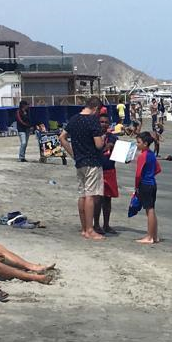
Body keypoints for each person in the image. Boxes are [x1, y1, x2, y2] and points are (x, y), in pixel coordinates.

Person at [60, 97, 107, 241]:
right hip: (92, 161)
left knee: (82, 194)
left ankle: (84, 228)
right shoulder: (92, 120)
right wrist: (104, 139)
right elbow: (98, 145)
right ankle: (90, 230)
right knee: (91, 195)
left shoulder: (74, 119)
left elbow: (62, 137)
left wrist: (73, 154)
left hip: (80, 161)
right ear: (96, 108)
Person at [135, 131, 162, 244]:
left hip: (145, 184)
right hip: (152, 184)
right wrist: (150, 175)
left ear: (145, 144)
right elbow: (158, 169)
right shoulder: (151, 154)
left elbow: (138, 174)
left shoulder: (143, 155)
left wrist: (136, 187)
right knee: (151, 209)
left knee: (149, 210)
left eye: (138, 142)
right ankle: (154, 236)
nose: (137, 144)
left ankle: (150, 237)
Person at [96, 112, 120, 235]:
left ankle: (106, 224)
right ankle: (96, 225)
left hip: (110, 170)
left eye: (106, 122)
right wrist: (105, 147)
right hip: (98, 170)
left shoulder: (113, 138)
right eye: (101, 122)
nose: (104, 124)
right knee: (97, 199)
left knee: (108, 199)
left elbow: (122, 156)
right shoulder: (94, 136)